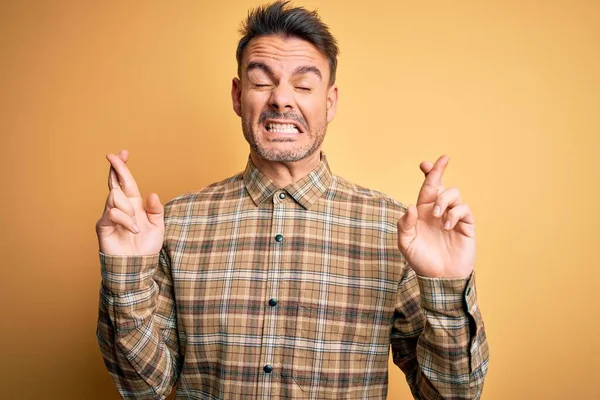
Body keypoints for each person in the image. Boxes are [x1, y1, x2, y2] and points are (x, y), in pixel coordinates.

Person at [95, 1, 489, 399]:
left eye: (303, 85)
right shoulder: (176, 223)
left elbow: (450, 396)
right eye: (263, 81)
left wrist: (445, 287)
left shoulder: (393, 229)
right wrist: (125, 275)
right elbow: (145, 389)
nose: (282, 99)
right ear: (237, 95)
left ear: (330, 102)